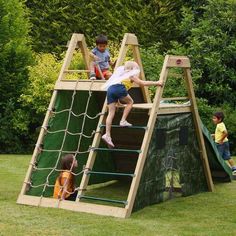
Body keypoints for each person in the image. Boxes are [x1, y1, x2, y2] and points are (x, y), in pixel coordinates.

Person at [101, 61, 163, 148]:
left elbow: (115, 88)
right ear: (132, 69)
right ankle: (123, 121)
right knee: (130, 102)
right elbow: (142, 83)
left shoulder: (120, 74)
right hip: (119, 89)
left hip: (110, 90)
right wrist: (156, 83)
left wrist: (118, 103)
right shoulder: (130, 75)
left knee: (111, 113)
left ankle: (107, 135)